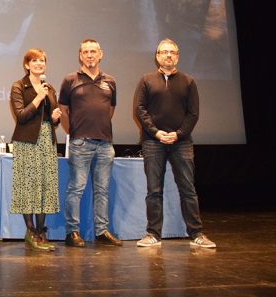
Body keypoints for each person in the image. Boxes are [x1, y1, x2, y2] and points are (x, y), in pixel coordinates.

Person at [133, 39, 216, 248]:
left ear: (177, 57)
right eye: (164, 52)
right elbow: (140, 110)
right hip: (153, 142)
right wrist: (156, 132)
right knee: (154, 190)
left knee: (188, 189)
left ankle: (196, 234)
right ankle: (153, 234)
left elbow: (193, 113)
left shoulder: (188, 81)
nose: (168, 55)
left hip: (182, 143)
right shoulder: (146, 80)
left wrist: (178, 134)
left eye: (172, 52)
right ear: (157, 56)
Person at [58, 39, 123, 247]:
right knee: (76, 188)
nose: (89, 55)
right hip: (80, 143)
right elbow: (63, 109)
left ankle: (102, 231)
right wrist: (73, 132)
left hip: (105, 143)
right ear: (80, 55)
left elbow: (110, 110)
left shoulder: (110, 81)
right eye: (85, 52)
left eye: (93, 51)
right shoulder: (70, 80)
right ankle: (72, 232)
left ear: (101, 54)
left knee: (102, 190)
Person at [9, 48, 63, 251]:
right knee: (28, 186)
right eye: (35, 61)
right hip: (27, 143)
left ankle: (41, 232)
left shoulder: (49, 88)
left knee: (45, 186)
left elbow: (51, 119)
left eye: (42, 61)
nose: (39, 64)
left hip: (46, 141)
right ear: (26, 65)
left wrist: (56, 118)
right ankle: (30, 231)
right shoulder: (18, 86)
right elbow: (21, 116)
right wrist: (38, 98)